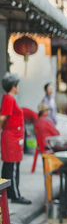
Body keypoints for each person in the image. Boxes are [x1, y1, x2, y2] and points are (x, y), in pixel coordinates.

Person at [0, 73, 31, 204]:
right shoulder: (9, 99)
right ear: (13, 86)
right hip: (11, 137)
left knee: (9, 166)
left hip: (14, 137)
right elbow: (3, 117)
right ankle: (15, 195)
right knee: (12, 167)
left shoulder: (10, 98)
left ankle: (6, 194)